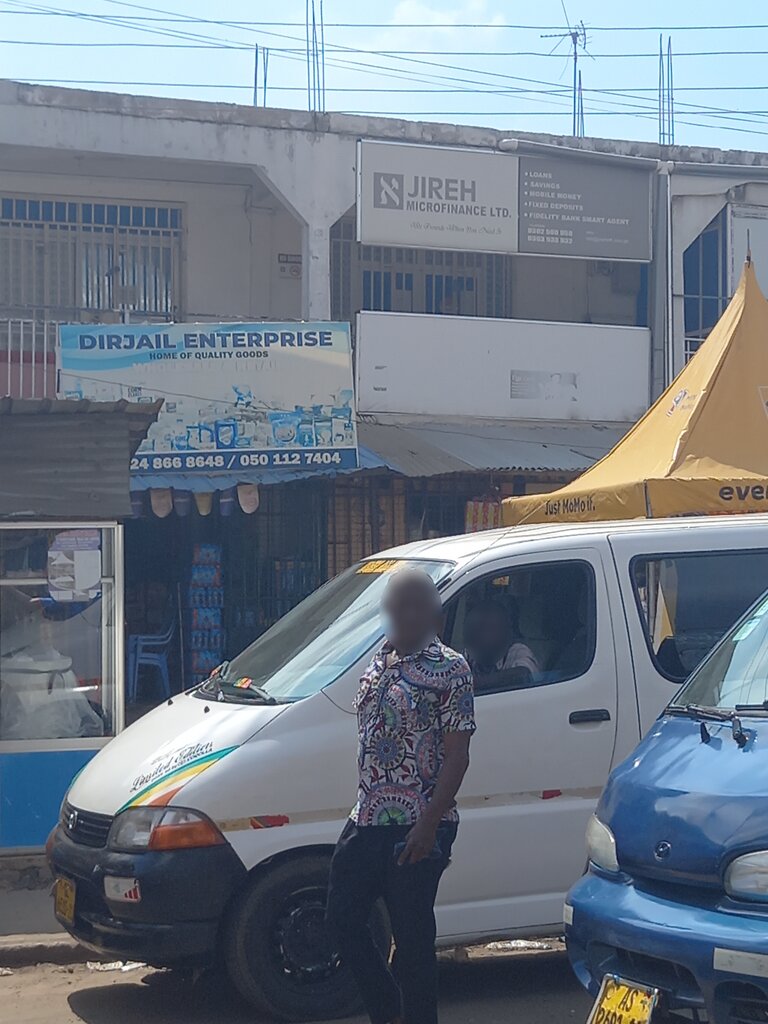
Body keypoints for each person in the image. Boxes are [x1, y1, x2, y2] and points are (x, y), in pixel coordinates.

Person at [325, 568, 475, 1024]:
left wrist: (428, 826)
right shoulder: (379, 660)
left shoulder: (451, 669)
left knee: (412, 944)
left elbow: (458, 757)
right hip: (368, 816)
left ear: (435, 615)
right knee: (341, 919)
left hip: (419, 824)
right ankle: (388, 1010)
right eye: (397, 605)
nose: (406, 614)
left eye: (416, 605)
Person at [464, 598, 540, 691]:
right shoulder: (469, 654)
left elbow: (522, 674)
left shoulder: (518, 651)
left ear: (506, 631)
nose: (477, 635)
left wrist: (470, 684)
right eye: (472, 629)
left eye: (486, 629)